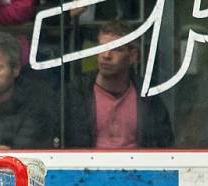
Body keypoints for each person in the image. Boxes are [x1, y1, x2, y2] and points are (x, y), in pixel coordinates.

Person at [64, 20, 174, 149]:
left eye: (116, 49)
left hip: (137, 167)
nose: (106, 56)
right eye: (101, 48)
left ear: (133, 56)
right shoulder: (75, 94)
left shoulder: (148, 97)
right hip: (87, 168)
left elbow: (164, 146)